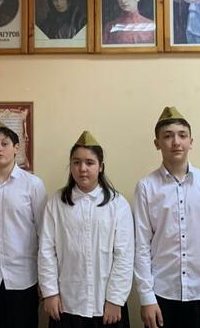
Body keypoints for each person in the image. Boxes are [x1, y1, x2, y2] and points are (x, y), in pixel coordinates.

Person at [133, 106, 200, 328]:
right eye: (168, 136)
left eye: (182, 135)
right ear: (157, 143)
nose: (176, 142)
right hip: (162, 294)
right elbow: (141, 245)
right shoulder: (146, 187)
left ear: (191, 141)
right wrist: (146, 297)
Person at [38, 131, 133, 328]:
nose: (82, 169)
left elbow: (124, 255)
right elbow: (46, 251)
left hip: (106, 306)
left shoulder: (117, 204)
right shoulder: (56, 203)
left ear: (101, 167)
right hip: (66, 304)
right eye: (76, 162)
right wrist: (50, 293)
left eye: (90, 163)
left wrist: (116, 299)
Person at [0, 120, 47, 328]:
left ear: (16, 148)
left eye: (4, 144)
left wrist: (44, 277)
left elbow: (44, 232)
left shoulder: (33, 184)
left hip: (24, 277)